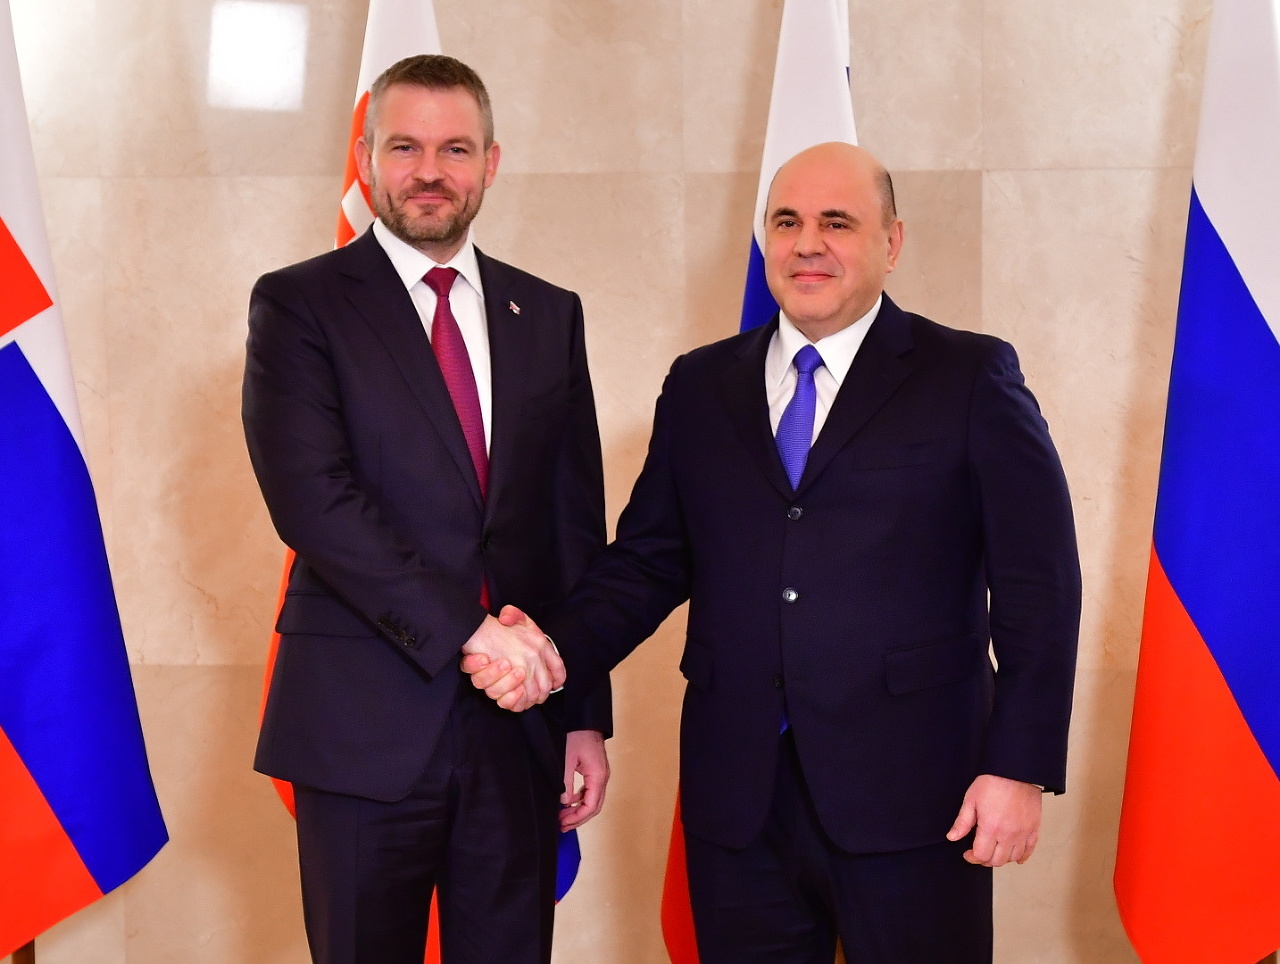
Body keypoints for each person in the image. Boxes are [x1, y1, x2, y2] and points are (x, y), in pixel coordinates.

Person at [466, 142, 1081, 963]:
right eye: (787, 221)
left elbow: (1040, 587)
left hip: (917, 792)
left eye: (838, 222)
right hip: (739, 796)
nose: (808, 243)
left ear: (891, 242)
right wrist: (549, 649)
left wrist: (1020, 766)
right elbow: (648, 562)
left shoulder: (968, 375)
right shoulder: (700, 385)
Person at [241, 54, 611, 964]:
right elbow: (314, 503)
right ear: (365, 160)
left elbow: (573, 526)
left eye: (455, 148)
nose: (430, 171)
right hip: (362, 726)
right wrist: (473, 634)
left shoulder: (549, 312)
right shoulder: (299, 305)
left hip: (518, 729)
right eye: (404, 146)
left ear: (492, 162)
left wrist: (583, 712)